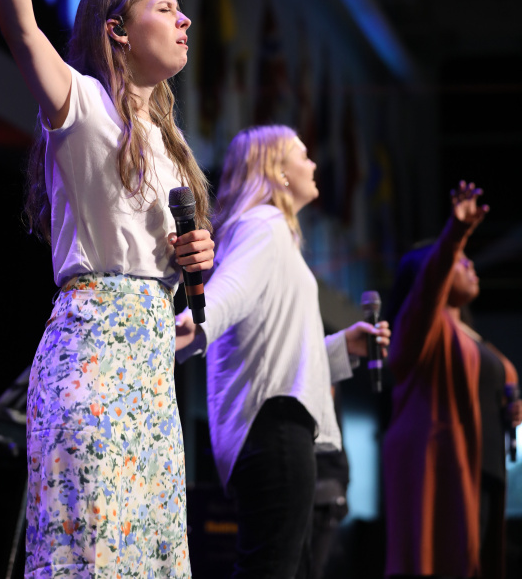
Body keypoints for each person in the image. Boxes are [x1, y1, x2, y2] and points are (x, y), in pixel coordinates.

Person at [0, 0, 214, 578]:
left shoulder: (172, 149)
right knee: (91, 555)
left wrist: (192, 268)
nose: (185, 19)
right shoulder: (83, 108)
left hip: (152, 378)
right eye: (164, 8)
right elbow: (23, 32)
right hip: (94, 362)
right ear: (117, 30)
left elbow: (170, 277)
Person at [175, 124, 390, 579]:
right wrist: (190, 326)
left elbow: (281, 355)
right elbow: (230, 292)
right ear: (278, 170)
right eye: (303, 155)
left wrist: (343, 347)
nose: (313, 164)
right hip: (273, 428)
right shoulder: (264, 225)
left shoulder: (274, 234)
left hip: (272, 425)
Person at [383, 181, 522, 579]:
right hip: (443, 468)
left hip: (486, 471)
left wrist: (509, 410)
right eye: (460, 260)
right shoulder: (423, 329)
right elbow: (428, 289)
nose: (470, 265)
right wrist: (456, 233)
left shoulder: (474, 339)